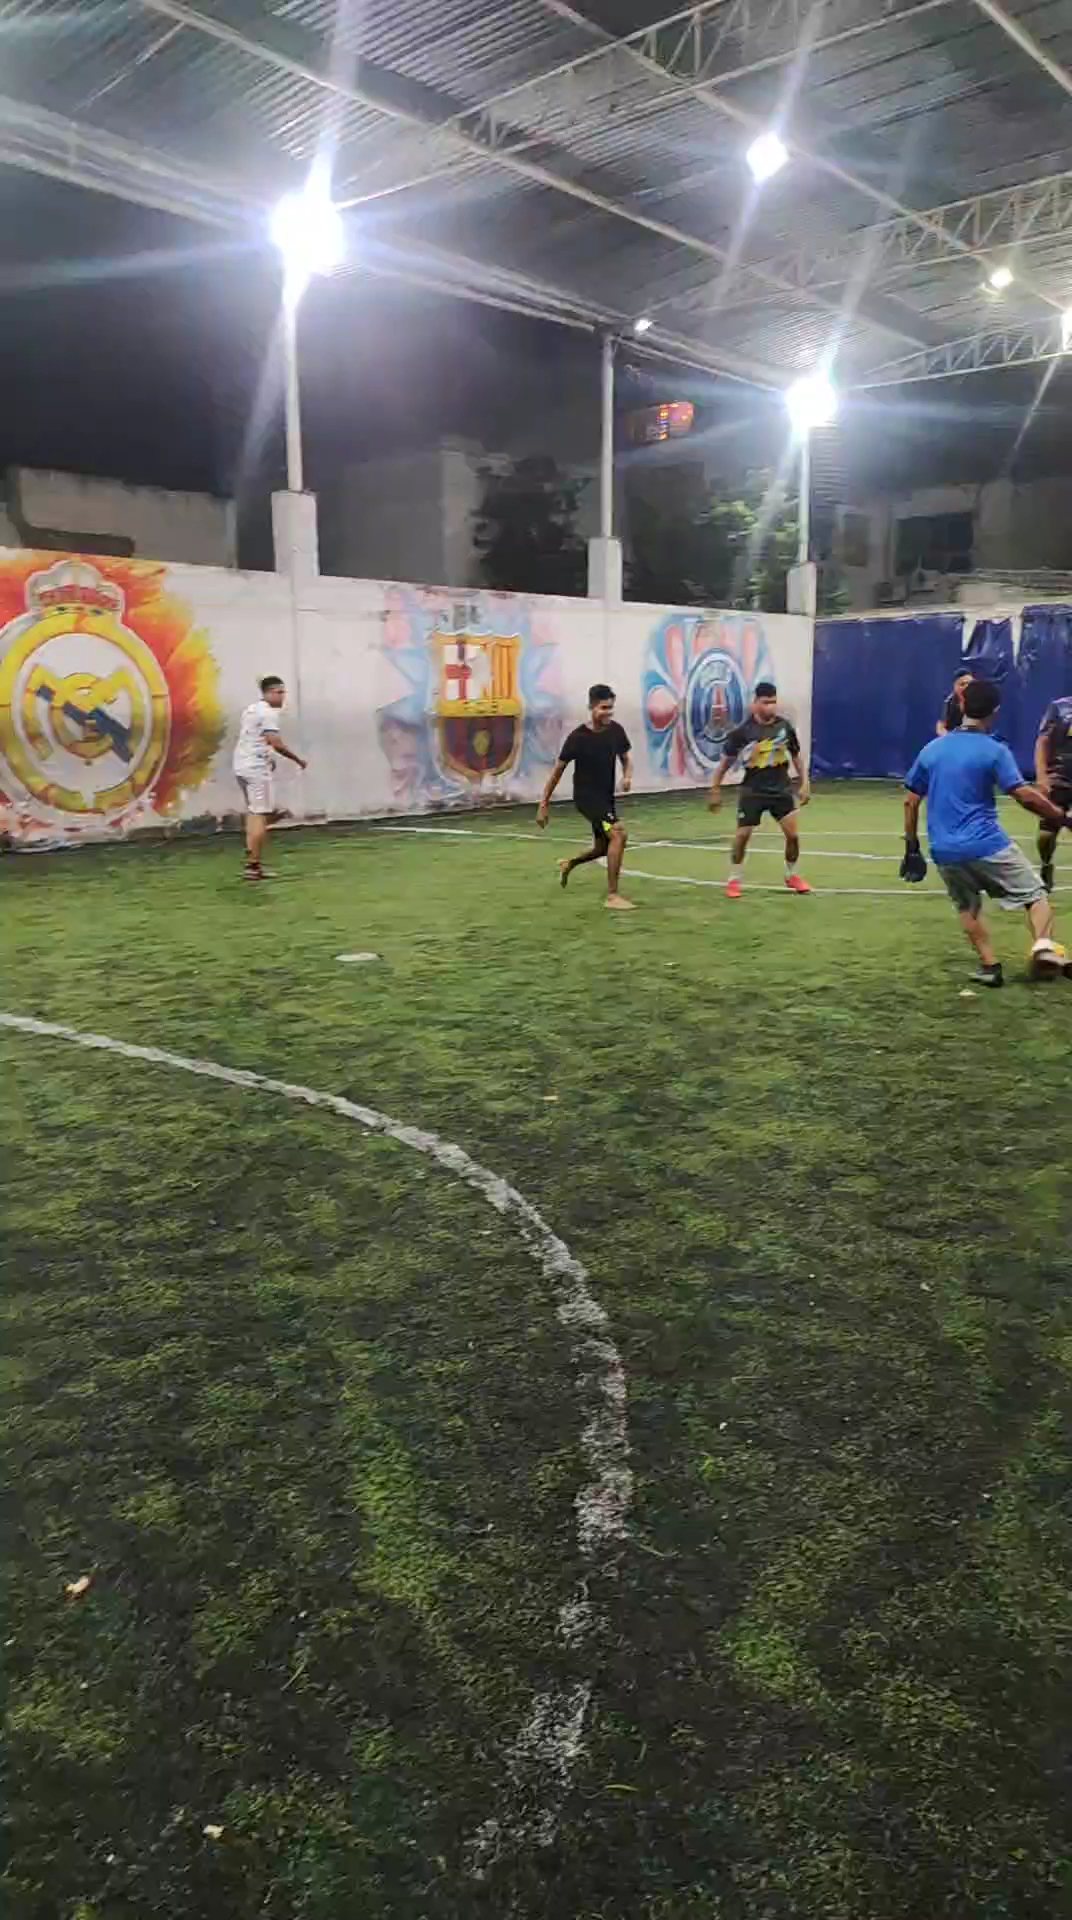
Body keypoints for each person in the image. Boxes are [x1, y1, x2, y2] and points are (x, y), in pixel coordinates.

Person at [902, 677, 1071, 986]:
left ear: (962, 705)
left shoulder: (932, 750)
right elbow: (1023, 795)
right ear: (995, 711)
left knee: (967, 906)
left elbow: (910, 801)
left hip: (944, 850)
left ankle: (990, 966)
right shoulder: (994, 750)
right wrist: (1061, 817)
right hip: (987, 844)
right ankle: (1043, 947)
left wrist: (911, 847)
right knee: (1036, 895)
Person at [708, 680, 811, 899]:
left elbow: (796, 757)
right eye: (765, 702)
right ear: (755, 703)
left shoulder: (784, 727)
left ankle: (791, 875)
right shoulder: (742, 732)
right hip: (753, 791)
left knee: (793, 836)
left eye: (773, 702)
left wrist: (805, 783)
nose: (770, 707)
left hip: (781, 790)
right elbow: (725, 764)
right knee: (742, 836)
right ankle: (734, 879)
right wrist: (715, 789)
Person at [537, 683, 634, 910]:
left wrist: (627, 777)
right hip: (586, 799)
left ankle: (569, 863)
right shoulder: (578, 737)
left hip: (605, 799)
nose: (608, 712)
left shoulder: (616, 731)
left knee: (602, 847)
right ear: (591, 707)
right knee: (618, 834)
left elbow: (626, 758)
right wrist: (543, 804)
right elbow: (557, 772)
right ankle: (612, 896)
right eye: (603, 708)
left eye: (611, 708)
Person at [232, 674, 307, 882]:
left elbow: (255, 739)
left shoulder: (251, 710)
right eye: (278, 692)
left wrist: (268, 757)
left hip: (242, 765)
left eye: (283, 692)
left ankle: (253, 855)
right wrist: (298, 760)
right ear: (267, 693)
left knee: (254, 813)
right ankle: (253, 865)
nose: (282, 696)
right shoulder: (268, 713)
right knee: (260, 815)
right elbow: (275, 742)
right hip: (255, 769)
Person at [1034, 692, 1072, 893]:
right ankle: (1046, 864)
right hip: (1060, 776)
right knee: (1046, 834)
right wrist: (1042, 776)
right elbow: (1043, 741)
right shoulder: (1060, 707)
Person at [937, 669, 973, 735]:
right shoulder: (949, 703)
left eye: (969, 684)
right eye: (962, 684)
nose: (966, 687)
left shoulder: (980, 701)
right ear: (955, 687)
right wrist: (948, 737)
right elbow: (941, 727)